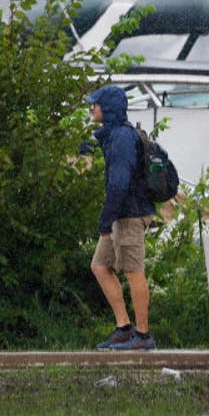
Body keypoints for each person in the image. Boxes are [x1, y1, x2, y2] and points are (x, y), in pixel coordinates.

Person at [86, 85, 157, 351]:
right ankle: (123, 327)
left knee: (133, 271)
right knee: (100, 266)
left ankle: (143, 334)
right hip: (121, 213)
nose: (92, 108)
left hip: (130, 214)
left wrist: (106, 220)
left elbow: (119, 184)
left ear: (108, 108)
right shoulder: (113, 135)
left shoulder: (122, 138)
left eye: (95, 104)